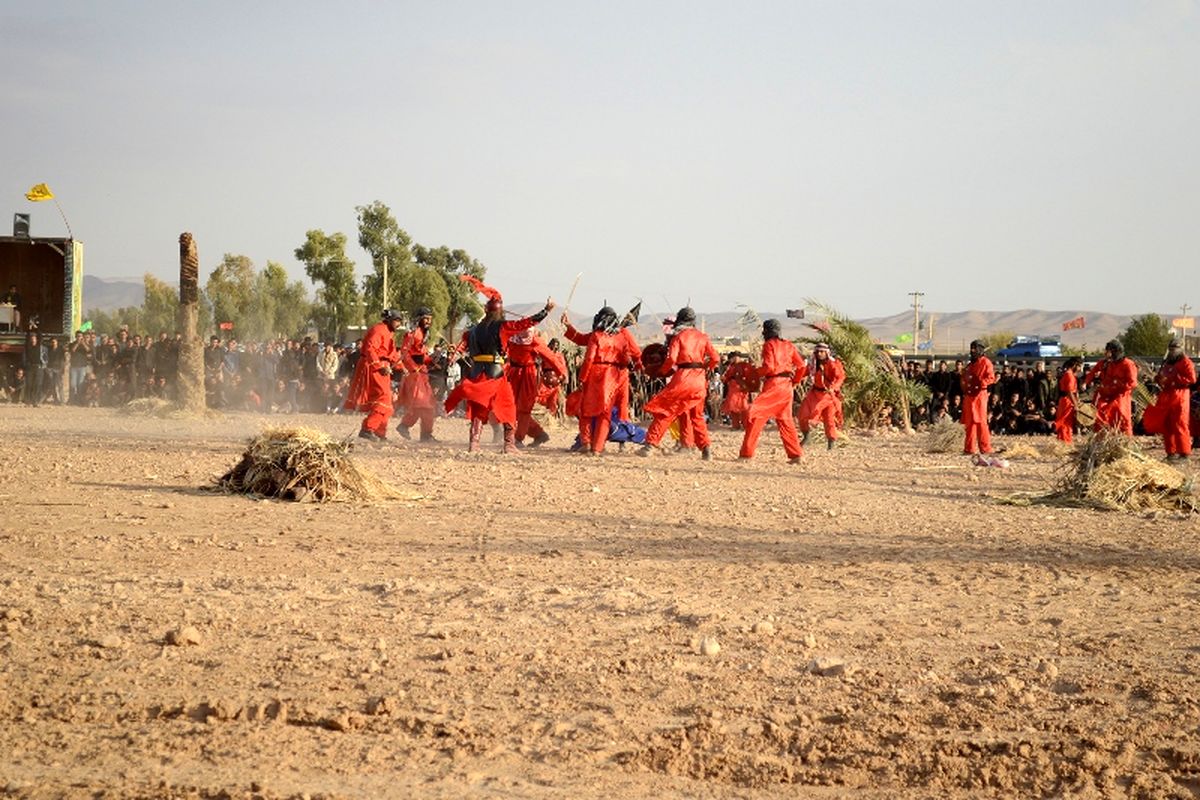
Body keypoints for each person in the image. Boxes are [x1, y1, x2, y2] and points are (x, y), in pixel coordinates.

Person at [444, 276, 554, 453]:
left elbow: (463, 344)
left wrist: (454, 356)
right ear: (500, 311)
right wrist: (545, 311)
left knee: (479, 406)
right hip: (495, 373)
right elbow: (524, 324)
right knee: (508, 406)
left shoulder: (473, 330)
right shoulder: (502, 327)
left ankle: (474, 443)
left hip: (476, 372)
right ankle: (509, 444)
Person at [638, 307, 720, 460]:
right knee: (696, 416)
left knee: (666, 410)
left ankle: (650, 445)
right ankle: (705, 449)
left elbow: (671, 360)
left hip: (683, 378)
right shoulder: (703, 337)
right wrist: (704, 368)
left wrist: (661, 372)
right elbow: (715, 358)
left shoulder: (679, 337)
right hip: (699, 380)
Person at [569, 306, 642, 455]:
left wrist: (582, 378)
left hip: (595, 375)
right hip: (615, 377)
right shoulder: (621, 336)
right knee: (606, 413)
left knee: (586, 411)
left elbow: (589, 358)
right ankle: (597, 448)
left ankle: (586, 442)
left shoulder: (597, 336)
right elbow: (630, 357)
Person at [738, 318, 807, 461]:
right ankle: (796, 455)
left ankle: (746, 454)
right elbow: (801, 366)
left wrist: (755, 373)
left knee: (755, 415)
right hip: (787, 386)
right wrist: (794, 381)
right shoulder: (788, 345)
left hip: (774, 385)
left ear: (766, 331)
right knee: (785, 420)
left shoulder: (769, 345)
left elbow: (769, 367)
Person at [343, 309, 404, 441]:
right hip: (373, 367)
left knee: (387, 402)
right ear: (389, 320)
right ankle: (367, 428)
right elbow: (370, 349)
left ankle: (379, 432)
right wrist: (379, 366)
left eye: (400, 321)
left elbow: (392, 355)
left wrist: (401, 367)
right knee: (383, 398)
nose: (399, 324)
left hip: (383, 368)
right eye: (397, 320)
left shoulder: (389, 334)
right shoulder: (378, 330)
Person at [507, 327, 568, 447]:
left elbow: (551, 358)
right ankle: (538, 434)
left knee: (524, 409)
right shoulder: (511, 338)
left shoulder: (535, 341)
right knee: (510, 406)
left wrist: (562, 372)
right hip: (513, 374)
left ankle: (519, 438)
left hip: (528, 375)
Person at [396, 307, 439, 442]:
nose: (428, 322)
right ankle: (419, 432)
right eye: (426, 318)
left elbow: (423, 355)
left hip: (422, 374)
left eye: (430, 319)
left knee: (426, 404)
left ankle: (416, 430)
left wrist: (432, 363)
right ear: (419, 319)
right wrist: (414, 368)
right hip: (415, 375)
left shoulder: (423, 334)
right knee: (423, 404)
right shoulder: (412, 334)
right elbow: (404, 354)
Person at [1083, 340, 1138, 435]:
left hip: (1121, 396)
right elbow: (1093, 372)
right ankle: (1102, 439)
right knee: (1099, 413)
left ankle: (1125, 441)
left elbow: (1133, 383)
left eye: (1108, 351)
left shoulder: (1128, 364)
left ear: (1115, 352)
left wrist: (1118, 384)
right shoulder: (1106, 363)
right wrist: (1085, 382)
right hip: (1106, 394)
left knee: (1121, 416)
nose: (1106, 354)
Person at [797, 342, 846, 450]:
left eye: (822, 352)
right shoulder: (813, 364)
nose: (819, 354)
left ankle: (831, 443)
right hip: (814, 394)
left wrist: (834, 387)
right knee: (802, 414)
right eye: (818, 351)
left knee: (829, 420)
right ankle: (807, 436)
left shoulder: (833, 364)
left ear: (826, 353)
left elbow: (840, 377)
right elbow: (802, 373)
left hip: (828, 395)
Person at [1154, 339, 1195, 460]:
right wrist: (1159, 379)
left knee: (1180, 424)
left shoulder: (1186, 362)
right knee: (1167, 424)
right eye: (1170, 349)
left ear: (1180, 349)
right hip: (1167, 395)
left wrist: (1173, 379)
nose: (1171, 352)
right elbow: (1163, 377)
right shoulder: (1167, 363)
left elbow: (1192, 379)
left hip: (1180, 396)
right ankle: (1170, 452)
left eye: (1173, 349)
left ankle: (1184, 453)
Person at [961, 339, 997, 455]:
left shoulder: (986, 363)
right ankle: (969, 448)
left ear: (980, 349)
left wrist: (981, 383)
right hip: (969, 395)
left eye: (975, 348)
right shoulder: (970, 364)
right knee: (969, 422)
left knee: (981, 422)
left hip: (980, 395)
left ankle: (985, 448)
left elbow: (991, 378)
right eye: (971, 348)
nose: (972, 350)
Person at [720, 352, 754, 430]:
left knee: (744, 408)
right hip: (733, 388)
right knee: (733, 407)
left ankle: (746, 425)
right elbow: (726, 378)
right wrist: (724, 379)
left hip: (741, 388)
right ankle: (736, 425)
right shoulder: (729, 367)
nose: (734, 359)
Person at [1054, 357, 1081, 443]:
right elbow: (1069, 391)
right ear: (1075, 365)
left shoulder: (1067, 374)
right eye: (1079, 366)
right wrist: (1075, 404)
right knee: (1066, 422)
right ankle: (1065, 441)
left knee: (1065, 421)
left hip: (1064, 400)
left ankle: (1063, 440)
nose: (1080, 369)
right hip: (1067, 400)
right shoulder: (1069, 375)